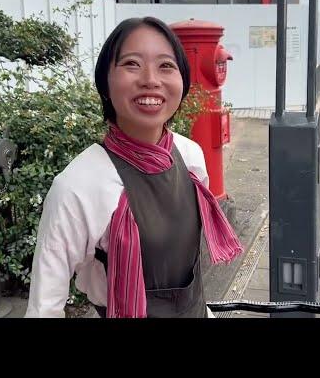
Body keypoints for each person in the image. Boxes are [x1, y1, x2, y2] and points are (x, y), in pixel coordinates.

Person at [25, 16, 243, 318]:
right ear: (105, 83)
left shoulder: (191, 156)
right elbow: (44, 307)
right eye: (131, 64)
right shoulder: (78, 185)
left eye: (166, 66)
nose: (151, 79)